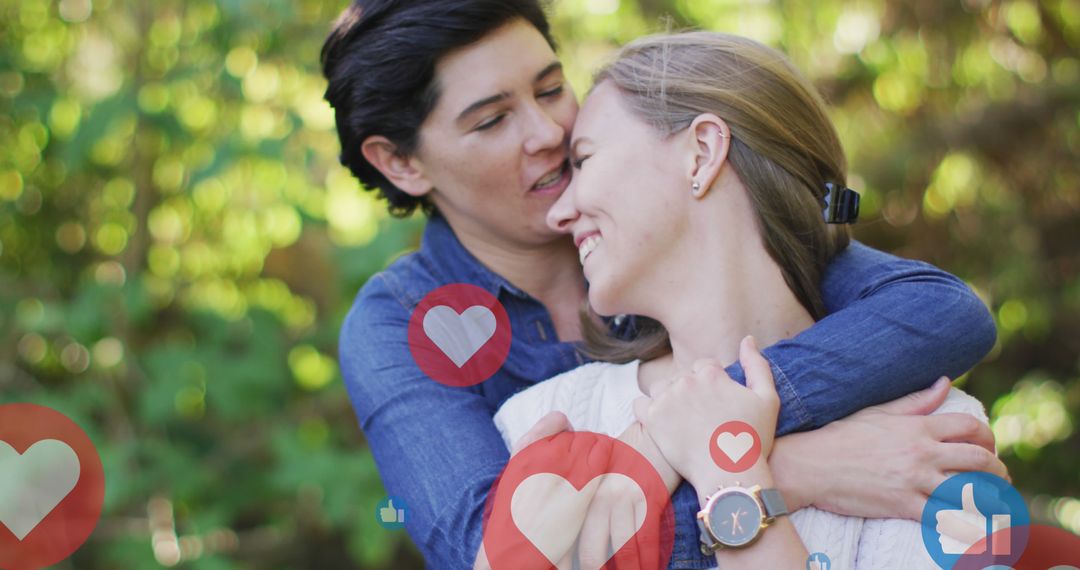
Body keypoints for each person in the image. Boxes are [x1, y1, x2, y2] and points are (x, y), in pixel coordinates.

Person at [321, 1, 1001, 567]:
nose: (551, 131)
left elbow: (939, 312)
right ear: (402, 162)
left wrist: (699, 431)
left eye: (553, 88)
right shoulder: (403, 326)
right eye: (492, 120)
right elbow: (497, 557)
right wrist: (780, 468)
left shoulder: (687, 223)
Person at [495, 31, 995, 568]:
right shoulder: (546, 416)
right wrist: (755, 466)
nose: (559, 213)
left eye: (585, 160)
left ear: (702, 154)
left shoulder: (937, 435)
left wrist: (728, 470)